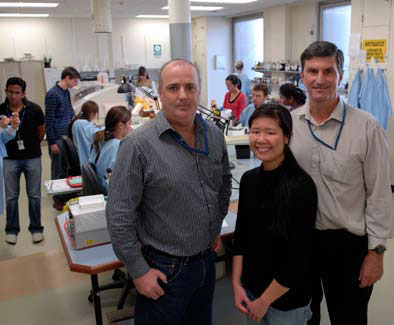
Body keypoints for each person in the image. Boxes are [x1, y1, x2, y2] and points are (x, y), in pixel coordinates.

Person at [106, 58, 232, 325]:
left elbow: (222, 185)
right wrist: (139, 271)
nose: (183, 95)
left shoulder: (214, 135)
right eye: (173, 88)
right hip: (163, 271)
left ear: (199, 91)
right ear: (160, 94)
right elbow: (119, 215)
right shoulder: (138, 145)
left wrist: (213, 229)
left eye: (190, 87)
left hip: (205, 263)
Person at [290, 41, 392, 325]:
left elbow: (380, 194)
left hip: (348, 246)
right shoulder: (289, 124)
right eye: (312, 71)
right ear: (302, 74)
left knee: (349, 318)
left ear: (341, 75)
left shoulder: (366, 127)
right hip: (302, 241)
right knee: (303, 317)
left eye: (328, 71)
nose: (319, 80)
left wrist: (376, 252)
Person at [232, 104, 317, 324]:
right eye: (255, 131)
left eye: (270, 133)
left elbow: (298, 258)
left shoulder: (302, 187)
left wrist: (264, 301)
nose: (261, 139)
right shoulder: (249, 180)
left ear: (286, 137)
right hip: (251, 292)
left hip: (287, 301)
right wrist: (236, 284)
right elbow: (241, 237)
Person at [0, 77, 45, 245]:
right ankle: (11, 230)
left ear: (24, 93)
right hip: (9, 158)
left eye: (17, 93)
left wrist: (31, 146)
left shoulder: (34, 109)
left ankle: (36, 229)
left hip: (32, 157)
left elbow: (41, 132)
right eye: (10, 92)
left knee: (34, 195)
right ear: (5, 91)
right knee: (11, 197)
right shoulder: (1, 110)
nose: (13, 96)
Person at [45, 66, 80, 210]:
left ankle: (64, 194)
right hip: (57, 138)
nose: (76, 84)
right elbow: (49, 120)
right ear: (67, 78)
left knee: (66, 168)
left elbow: (69, 110)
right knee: (58, 169)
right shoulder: (53, 94)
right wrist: (52, 142)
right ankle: (57, 198)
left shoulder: (65, 92)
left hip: (66, 136)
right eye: (75, 81)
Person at [89, 105, 131, 191]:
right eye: (129, 123)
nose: (130, 128)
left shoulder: (101, 139)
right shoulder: (117, 145)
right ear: (120, 125)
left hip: (102, 186)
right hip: (110, 191)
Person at [68, 100, 101, 167]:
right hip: (87, 160)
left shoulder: (78, 122)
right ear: (92, 113)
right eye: (95, 114)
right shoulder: (81, 123)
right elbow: (96, 135)